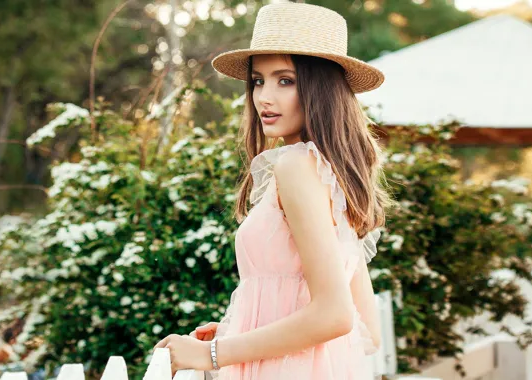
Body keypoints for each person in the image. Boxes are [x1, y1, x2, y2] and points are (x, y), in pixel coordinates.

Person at [154, 3, 394, 379]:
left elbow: (335, 316)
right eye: (258, 81)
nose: (264, 97)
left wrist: (213, 354)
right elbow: (368, 332)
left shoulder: (296, 166)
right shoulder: (330, 176)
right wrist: (244, 331)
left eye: (285, 80)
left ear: (321, 88)